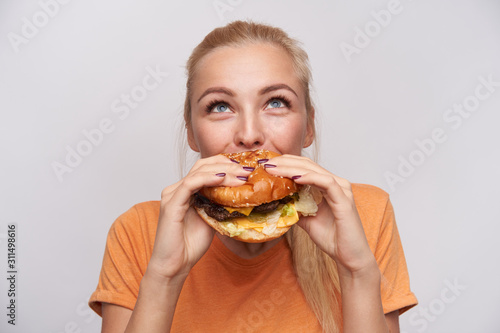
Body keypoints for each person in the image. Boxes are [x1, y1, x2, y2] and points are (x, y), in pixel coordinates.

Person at [89, 20, 417, 332]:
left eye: (276, 102)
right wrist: (164, 276)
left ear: (309, 127)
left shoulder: (365, 215)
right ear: (191, 132)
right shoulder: (138, 233)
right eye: (220, 107)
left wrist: (357, 272)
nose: (249, 134)